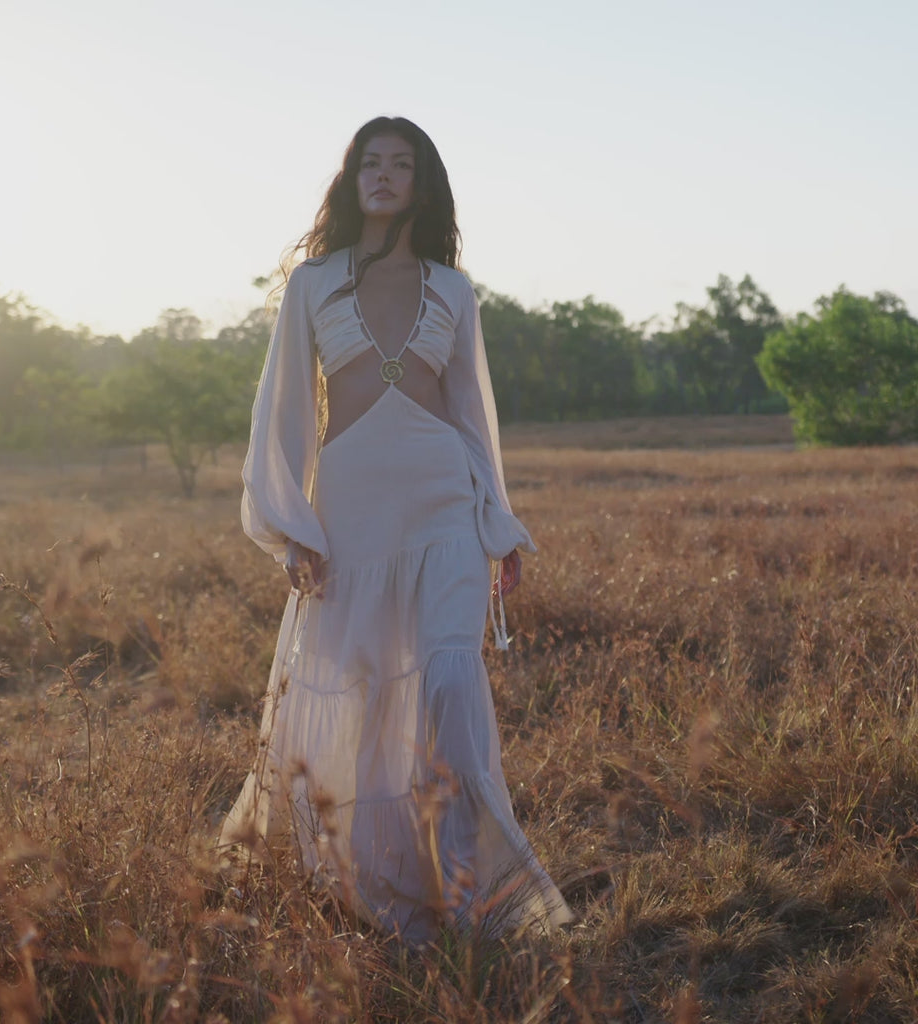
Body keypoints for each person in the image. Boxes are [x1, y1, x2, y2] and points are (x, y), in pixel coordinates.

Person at [219, 116, 572, 944]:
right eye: (369, 163)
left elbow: (472, 414)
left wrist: (498, 523)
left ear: (422, 181)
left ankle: (469, 898)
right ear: (352, 180)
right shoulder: (313, 283)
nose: (383, 175)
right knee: (364, 696)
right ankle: (372, 878)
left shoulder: (453, 288)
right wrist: (294, 524)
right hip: (351, 513)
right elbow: (285, 414)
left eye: (399, 163)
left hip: (443, 502)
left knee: (449, 685)